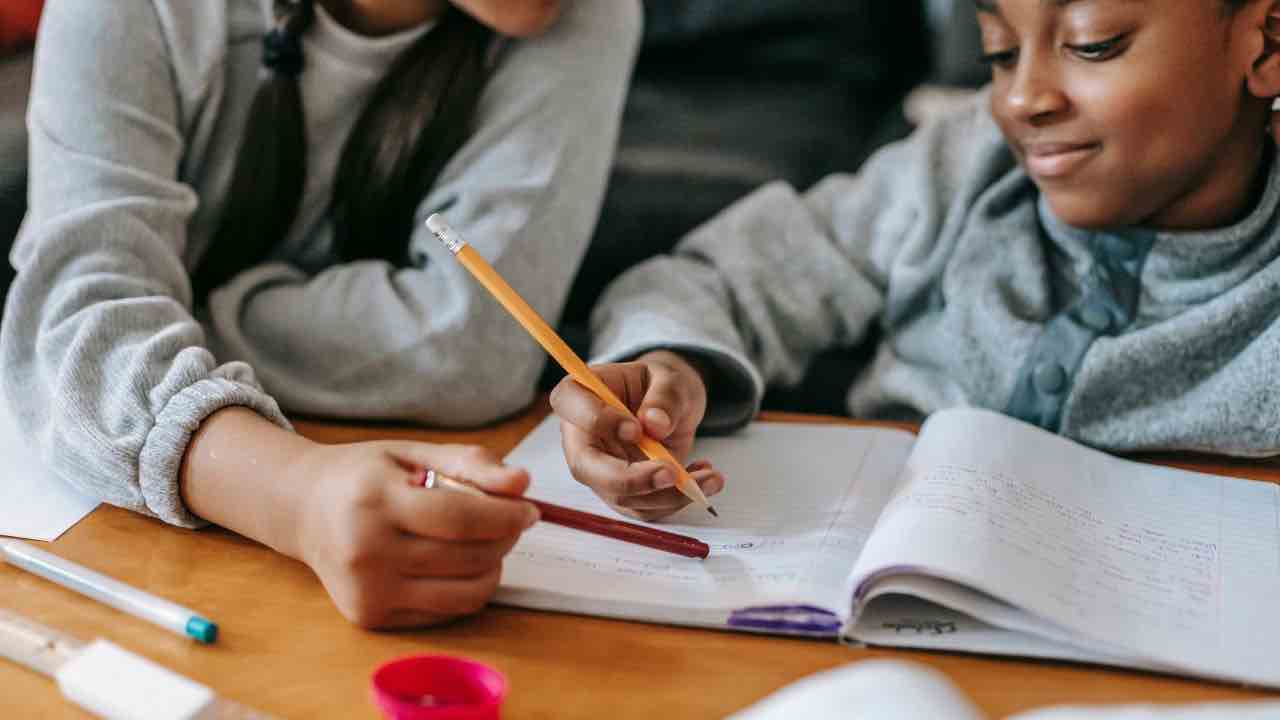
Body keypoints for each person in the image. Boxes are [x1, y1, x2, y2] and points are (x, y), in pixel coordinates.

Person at [1, 0, 640, 628]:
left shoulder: (586, 13)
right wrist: (295, 491)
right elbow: (76, 328)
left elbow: (473, 347)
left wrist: (178, 315)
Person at [550, 0, 1280, 521]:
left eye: (1092, 44)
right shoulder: (959, 165)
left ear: (1266, 44)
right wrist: (672, 368)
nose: (1022, 97)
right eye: (999, 52)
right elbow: (711, 280)